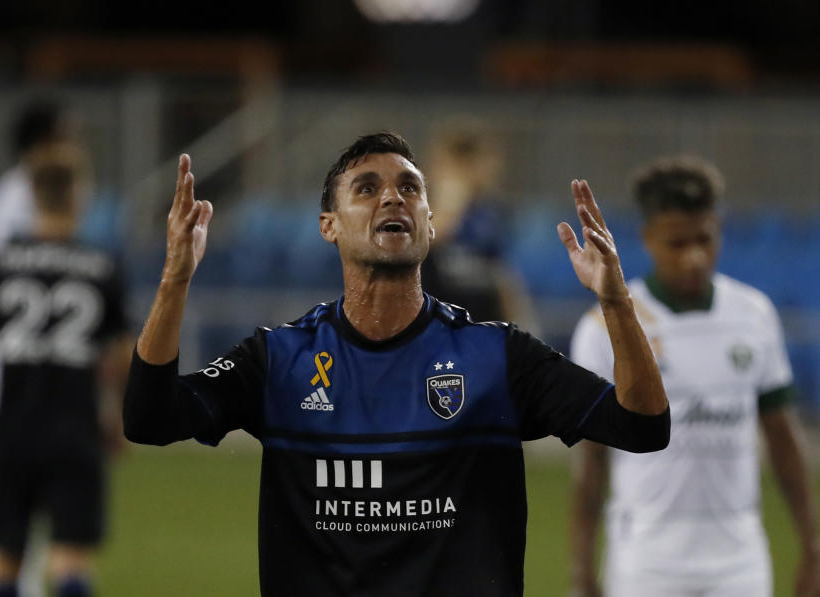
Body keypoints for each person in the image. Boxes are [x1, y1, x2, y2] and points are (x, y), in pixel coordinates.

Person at [123, 132, 670, 596]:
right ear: (329, 225)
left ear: (431, 225)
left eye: (410, 188)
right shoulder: (280, 360)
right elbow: (149, 419)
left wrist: (615, 299)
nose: (393, 198)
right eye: (367, 188)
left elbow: (642, 425)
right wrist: (174, 281)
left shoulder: (497, 356)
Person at [570, 156, 820, 597]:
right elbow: (592, 461)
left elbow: (783, 439)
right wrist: (581, 573)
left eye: (704, 239)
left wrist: (813, 550)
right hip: (645, 559)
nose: (694, 256)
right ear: (648, 238)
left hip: (738, 560)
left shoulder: (754, 315)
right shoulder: (603, 328)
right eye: (677, 243)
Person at [0, 141, 133, 597]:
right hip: (74, 432)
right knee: (70, 563)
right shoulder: (101, 267)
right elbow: (122, 360)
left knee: (5, 562)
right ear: (79, 194)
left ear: (31, 194)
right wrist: (116, 422)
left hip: (12, 432)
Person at [0, 98, 73, 597]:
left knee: (23, 515)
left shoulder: (11, 192)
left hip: (20, 361)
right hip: (17, 366)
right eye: (63, 134)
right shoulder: (23, 195)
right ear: (44, 141)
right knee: (26, 511)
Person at [421, 125, 540, 332]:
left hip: (481, 326)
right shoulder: (419, 208)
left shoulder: (489, 214)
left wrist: (523, 327)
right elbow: (424, 242)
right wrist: (451, 203)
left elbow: (501, 274)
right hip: (434, 326)